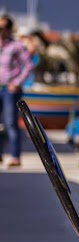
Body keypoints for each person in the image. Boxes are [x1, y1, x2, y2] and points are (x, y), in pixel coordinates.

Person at [0, 15, 34, 167]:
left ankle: (15, 157)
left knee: (10, 123)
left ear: (8, 29)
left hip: (10, 90)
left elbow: (28, 66)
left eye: (2, 27)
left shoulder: (17, 46)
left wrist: (16, 83)